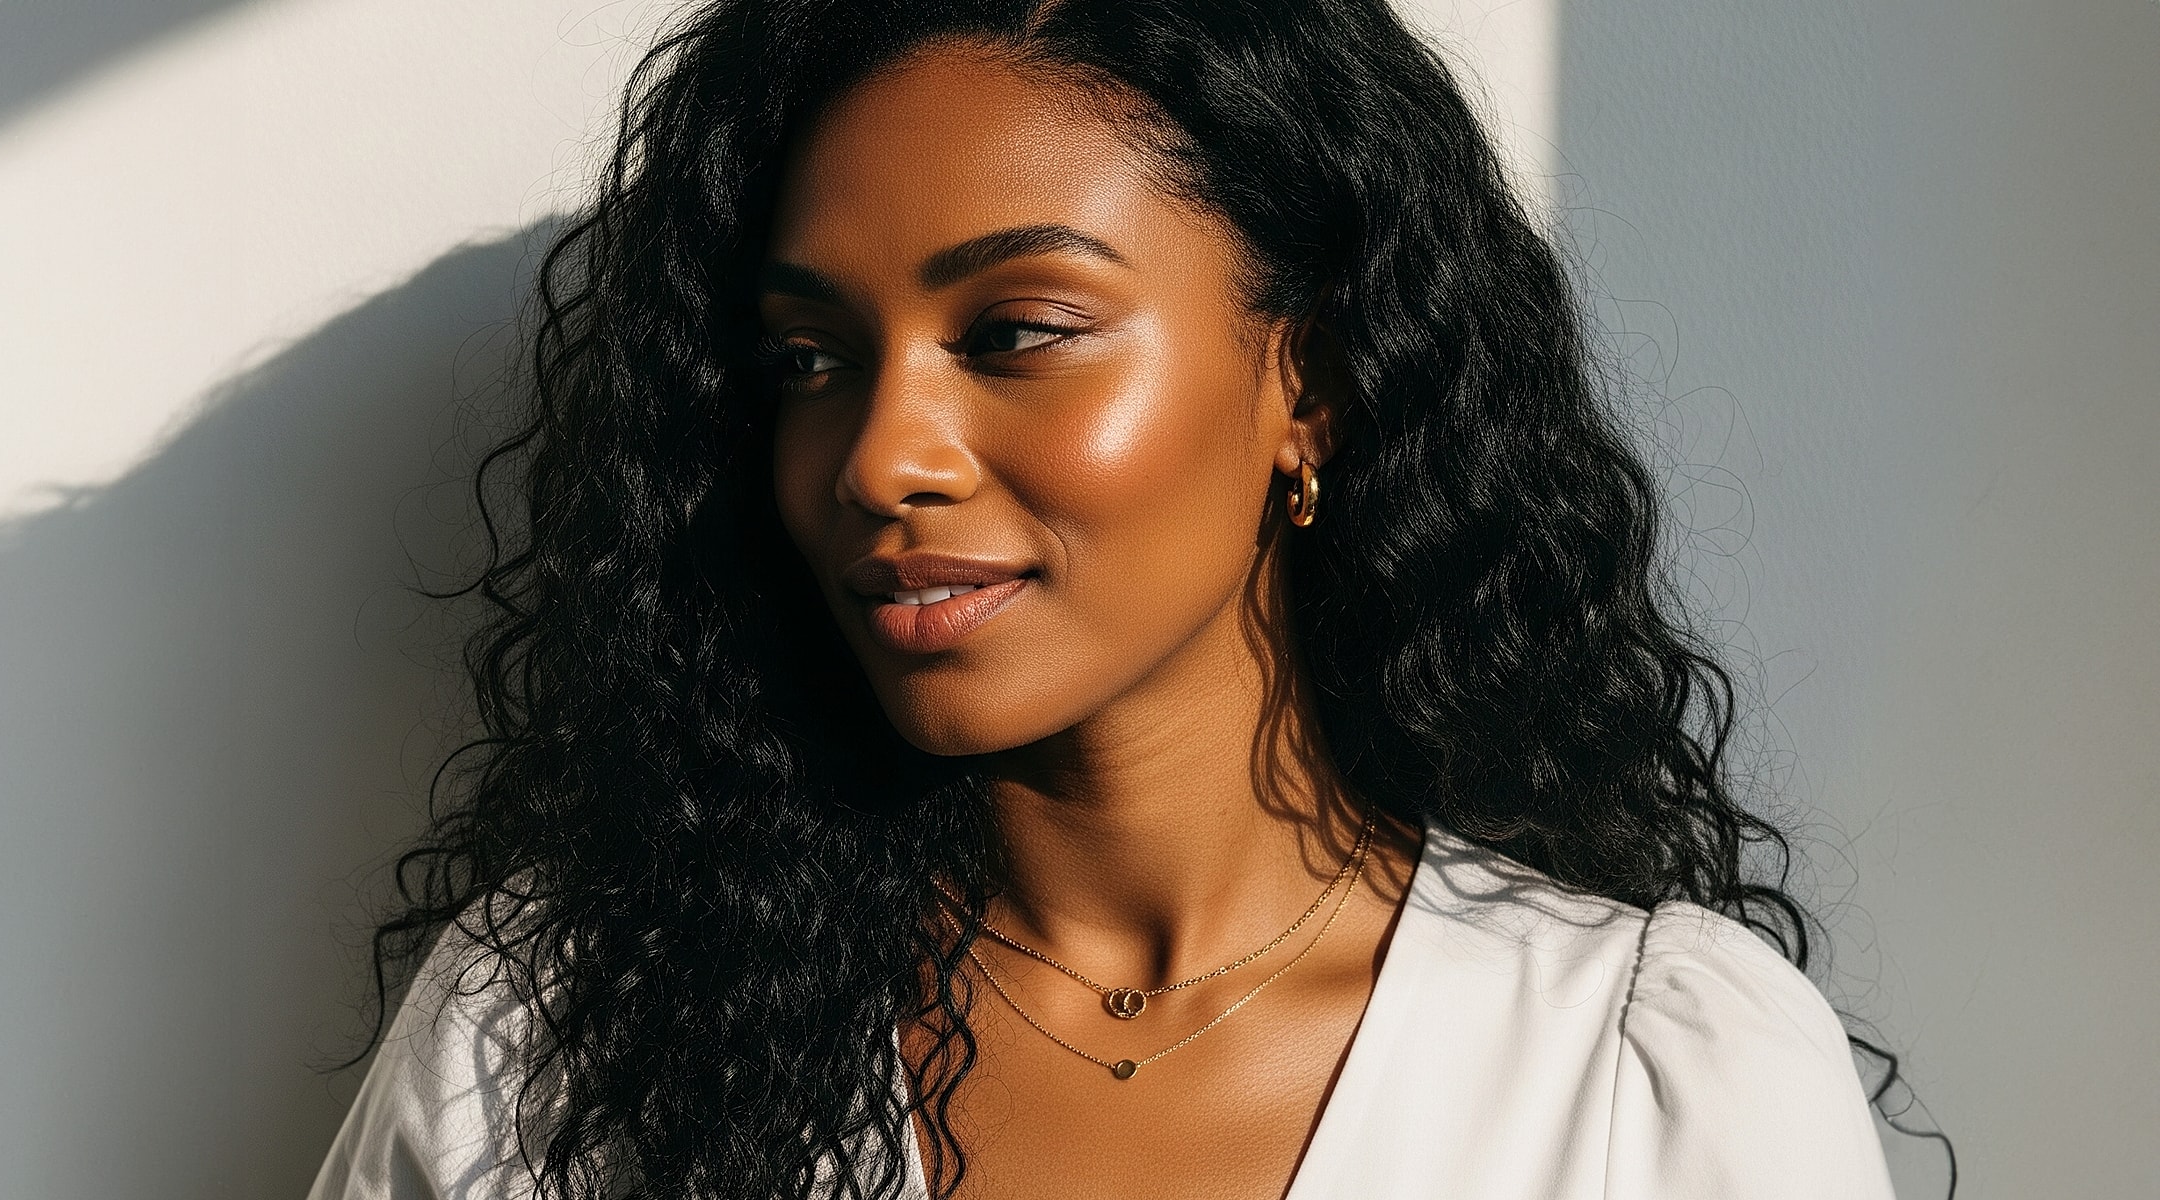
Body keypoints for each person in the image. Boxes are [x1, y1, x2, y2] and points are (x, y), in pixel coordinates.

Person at [307, 1, 1918, 1197]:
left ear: (1316, 382)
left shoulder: (1640, 1078)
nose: (878, 457)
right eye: (808, 362)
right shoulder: (558, 1041)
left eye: (1018, 332)